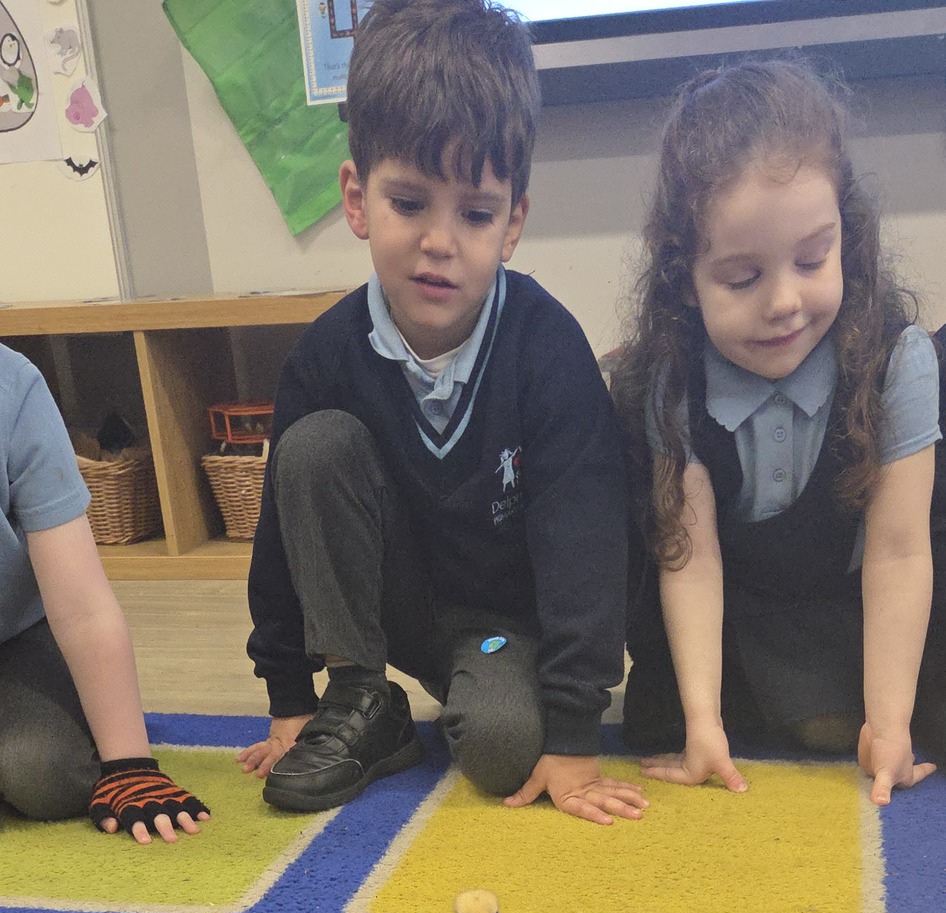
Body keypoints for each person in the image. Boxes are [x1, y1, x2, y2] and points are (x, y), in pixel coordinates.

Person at [240, 0, 646, 828]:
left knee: (501, 749)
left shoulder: (548, 348)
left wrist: (574, 732)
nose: (439, 241)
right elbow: (280, 534)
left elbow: (588, 544)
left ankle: (470, 700)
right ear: (357, 199)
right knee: (314, 449)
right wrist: (289, 697)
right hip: (394, 611)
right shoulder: (323, 356)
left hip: (503, 628)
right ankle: (362, 698)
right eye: (409, 202)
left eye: (475, 213)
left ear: (512, 223)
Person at [613, 57, 946, 807]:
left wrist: (890, 725)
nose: (785, 302)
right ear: (685, 280)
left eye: (812, 259)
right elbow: (690, 559)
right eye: (742, 279)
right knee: (661, 717)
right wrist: (702, 723)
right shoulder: (671, 380)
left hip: (852, 600)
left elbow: (899, 551)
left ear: (845, 239)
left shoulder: (898, 360)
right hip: (738, 607)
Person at [0, 344, 208, 845]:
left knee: (44, 774)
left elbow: (82, 607)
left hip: (13, 636)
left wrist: (129, 764)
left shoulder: (12, 385)